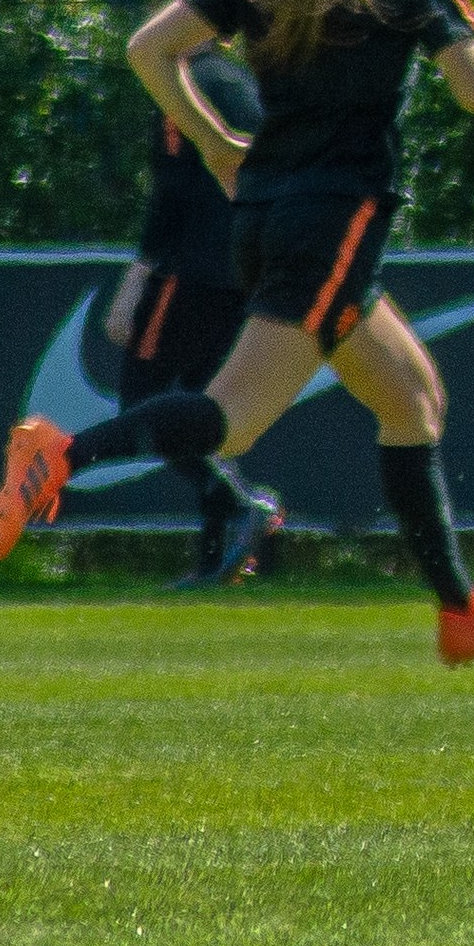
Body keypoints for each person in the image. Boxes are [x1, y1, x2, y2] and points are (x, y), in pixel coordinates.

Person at [0, 0, 474, 665]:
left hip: (266, 217)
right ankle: (62, 452)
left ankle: (462, 610)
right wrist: (468, 36)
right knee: (232, 422)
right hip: (334, 222)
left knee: (410, 399)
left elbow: (150, 49)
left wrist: (215, 142)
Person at [102, 35, 286, 585]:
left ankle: (238, 504)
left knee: (142, 400)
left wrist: (137, 277)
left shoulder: (180, 82)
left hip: (191, 271)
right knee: (206, 412)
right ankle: (217, 555)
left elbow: (173, 192)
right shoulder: (241, 82)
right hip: (246, 270)